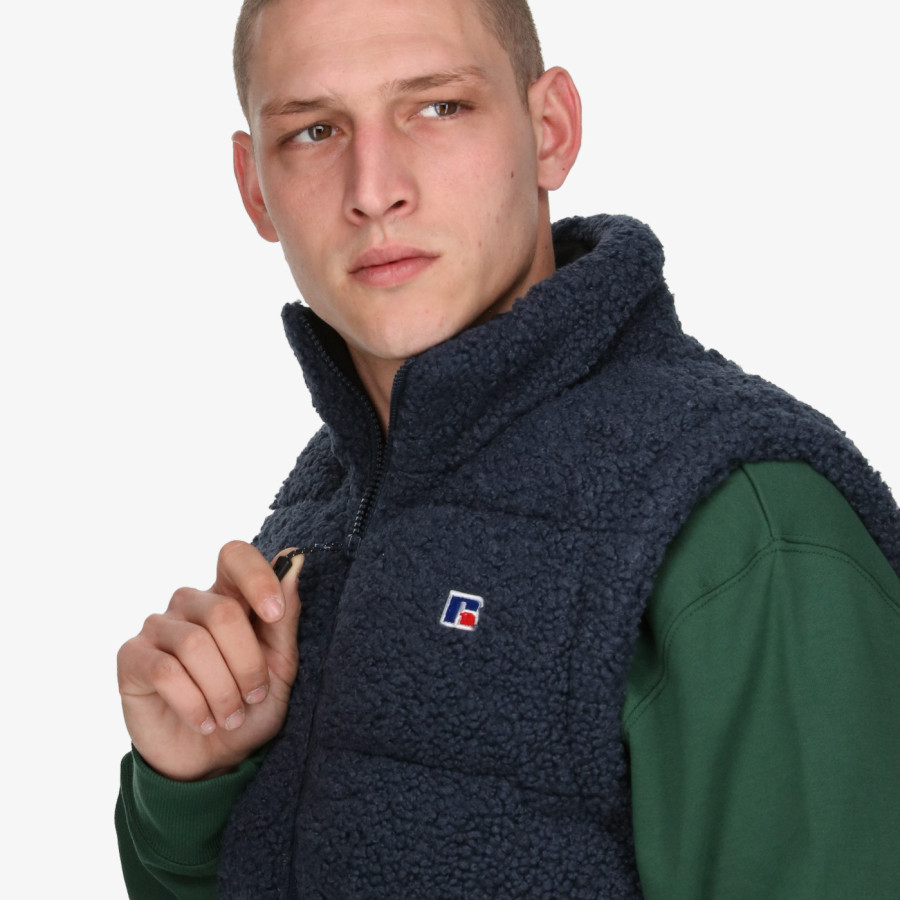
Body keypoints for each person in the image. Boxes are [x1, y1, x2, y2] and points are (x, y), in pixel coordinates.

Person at [115, 0, 900, 896]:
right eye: (315, 131)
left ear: (550, 130)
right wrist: (191, 795)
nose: (373, 188)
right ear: (255, 185)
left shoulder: (742, 523)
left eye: (438, 107)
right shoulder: (327, 500)